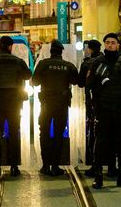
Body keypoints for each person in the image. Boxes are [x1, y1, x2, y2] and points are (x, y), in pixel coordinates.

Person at [87, 33, 121, 189]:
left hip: (120, 109)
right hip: (102, 109)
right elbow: (89, 87)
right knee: (100, 142)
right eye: (107, 43)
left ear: (118, 45)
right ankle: (99, 176)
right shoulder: (97, 63)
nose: (110, 45)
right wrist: (91, 108)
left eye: (113, 43)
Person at [0, 35, 31, 179]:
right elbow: (28, 76)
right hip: (15, 103)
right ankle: (14, 167)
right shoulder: (18, 61)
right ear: (10, 47)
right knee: (14, 134)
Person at [31, 39, 79, 176]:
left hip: (46, 104)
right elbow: (77, 81)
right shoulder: (68, 65)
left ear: (50, 51)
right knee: (58, 134)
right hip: (62, 104)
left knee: (44, 133)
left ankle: (46, 165)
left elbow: (34, 82)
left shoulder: (43, 64)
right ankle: (56, 166)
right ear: (62, 51)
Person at [78, 39, 101, 177]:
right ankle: (111, 165)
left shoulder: (87, 63)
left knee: (93, 133)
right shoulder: (109, 61)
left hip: (92, 103)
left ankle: (94, 164)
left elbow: (80, 83)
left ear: (90, 49)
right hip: (108, 102)